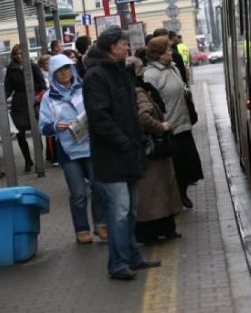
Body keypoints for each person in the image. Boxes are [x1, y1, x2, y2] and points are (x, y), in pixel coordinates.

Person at [83, 27, 161, 281]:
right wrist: (124, 141)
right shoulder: (95, 76)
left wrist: (136, 140)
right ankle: (117, 264)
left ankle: (133, 256)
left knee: (131, 211)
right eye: (123, 44)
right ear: (111, 47)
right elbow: (99, 118)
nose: (127, 48)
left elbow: (130, 110)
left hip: (129, 152)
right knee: (119, 211)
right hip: (111, 157)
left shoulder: (122, 71)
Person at [39, 54, 107, 245]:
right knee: (78, 194)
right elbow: (42, 126)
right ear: (53, 73)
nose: (65, 73)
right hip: (68, 151)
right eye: (61, 70)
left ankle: (101, 225)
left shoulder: (84, 88)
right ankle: (81, 230)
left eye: (68, 68)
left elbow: (98, 109)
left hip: (91, 146)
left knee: (99, 186)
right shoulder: (48, 98)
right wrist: (55, 126)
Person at [128, 55, 183, 244]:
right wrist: (162, 127)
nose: (143, 71)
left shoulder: (133, 90)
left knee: (156, 190)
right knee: (155, 191)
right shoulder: (139, 91)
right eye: (140, 68)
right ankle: (157, 230)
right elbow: (143, 117)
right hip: (153, 149)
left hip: (148, 149)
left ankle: (162, 229)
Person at [143, 36, 203, 209]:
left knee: (186, 165)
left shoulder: (174, 68)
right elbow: (151, 102)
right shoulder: (151, 75)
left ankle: (182, 193)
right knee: (175, 167)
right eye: (168, 50)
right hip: (168, 127)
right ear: (159, 54)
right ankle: (175, 198)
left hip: (183, 123)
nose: (172, 52)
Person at [4, 43, 47, 173]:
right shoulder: (11, 69)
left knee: (36, 131)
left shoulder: (33, 67)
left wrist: (38, 95)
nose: (18, 56)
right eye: (16, 54)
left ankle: (39, 158)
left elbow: (42, 84)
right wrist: (3, 100)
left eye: (21, 54)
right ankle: (27, 160)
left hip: (32, 101)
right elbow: (8, 88)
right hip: (18, 103)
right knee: (20, 133)